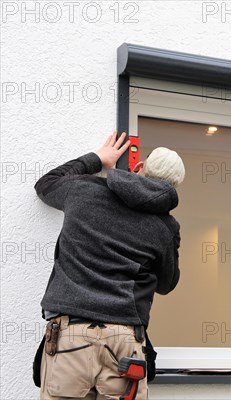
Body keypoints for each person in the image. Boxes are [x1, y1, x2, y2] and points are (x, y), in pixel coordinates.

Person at [33, 132, 184, 400]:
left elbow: (46, 184)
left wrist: (97, 159)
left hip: (71, 335)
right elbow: (166, 284)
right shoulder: (165, 227)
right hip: (124, 341)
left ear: (138, 167)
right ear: (172, 188)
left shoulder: (84, 190)